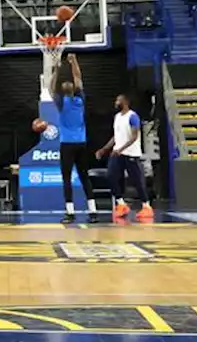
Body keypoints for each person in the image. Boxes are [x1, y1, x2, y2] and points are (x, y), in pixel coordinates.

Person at [52, 54, 99, 224]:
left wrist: (57, 71)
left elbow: (51, 87)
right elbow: (78, 77)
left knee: (67, 178)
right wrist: (74, 62)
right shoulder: (79, 100)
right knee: (84, 177)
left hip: (68, 144)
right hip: (80, 143)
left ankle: (71, 213)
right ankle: (92, 211)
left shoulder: (62, 102)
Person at [96, 94, 154, 222]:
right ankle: (121, 204)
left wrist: (121, 149)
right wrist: (104, 149)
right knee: (111, 176)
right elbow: (116, 136)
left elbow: (134, 136)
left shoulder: (133, 116)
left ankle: (146, 206)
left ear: (125, 102)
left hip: (131, 154)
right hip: (117, 153)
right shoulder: (117, 117)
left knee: (137, 181)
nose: (116, 102)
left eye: (118, 100)